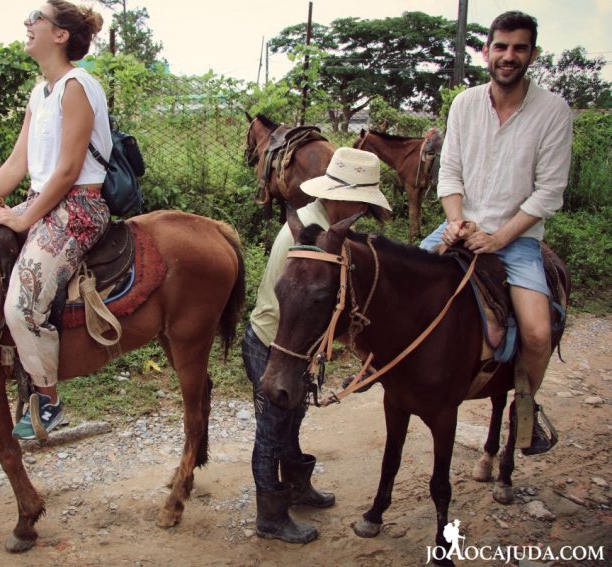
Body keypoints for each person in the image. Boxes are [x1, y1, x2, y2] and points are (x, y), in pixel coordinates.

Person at [0, 1, 111, 440]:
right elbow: (17, 163)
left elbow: (70, 170)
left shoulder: (77, 85)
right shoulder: (42, 92)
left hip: (77, 207)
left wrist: (23, 218)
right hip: (42, 200)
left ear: (59, 35)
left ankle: (50, 402)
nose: (27, 24)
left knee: (21, 303)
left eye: (37, 18)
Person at [420, 11, 573, 455]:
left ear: (532, 55)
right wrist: (455, 221)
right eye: (501, 47)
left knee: (538, 333)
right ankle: (389, 370)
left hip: (517, 240)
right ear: (487, 52)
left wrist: (500, 238)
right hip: (458, 225)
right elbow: (449, 174)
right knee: (401, 290)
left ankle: (524, 407)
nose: (509, 56)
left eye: (519, 48)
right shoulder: (465, 104)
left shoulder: (553, 110)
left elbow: (549, 191)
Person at [242, 147, 392, 543]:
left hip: (296, 345)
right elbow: (298, 306)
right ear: (339, 197)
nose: (362, 212)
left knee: (293, 419)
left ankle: (297, 488)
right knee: (271, 430)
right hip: (274, 342)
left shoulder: (327, 226)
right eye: (360, 204)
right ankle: (270, 518)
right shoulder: (310, 235)